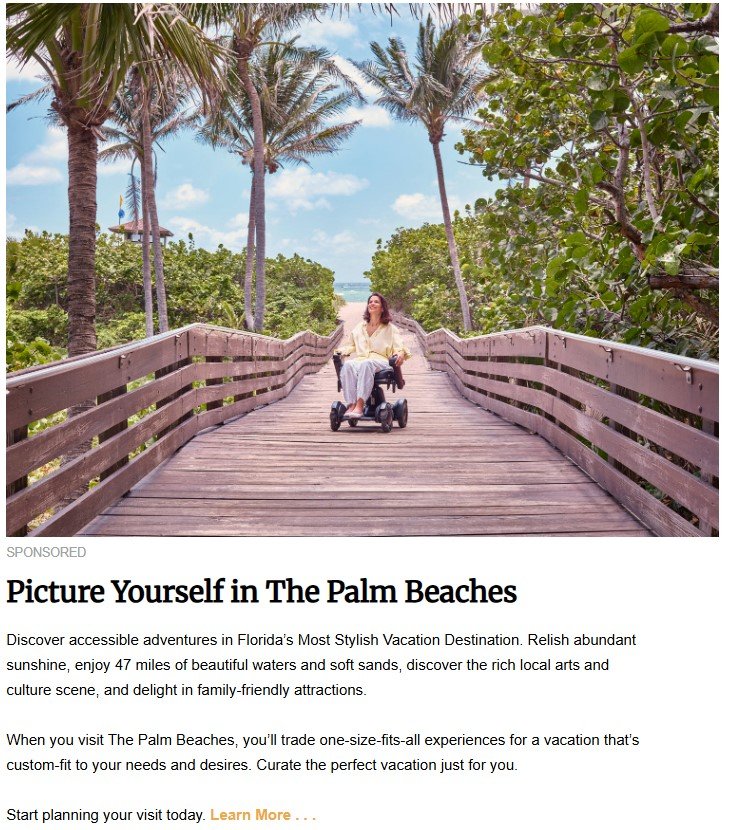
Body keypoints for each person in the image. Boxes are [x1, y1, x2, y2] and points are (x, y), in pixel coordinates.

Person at [336, 293, 411, 419]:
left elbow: (400, 348)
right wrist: (339, 352)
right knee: (348, 364)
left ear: (382, 308)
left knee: (367, 363)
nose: (372, 303)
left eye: (376, 302)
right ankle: (351, 404)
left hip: (381, 362)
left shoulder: (390, 329)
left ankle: (360, 406)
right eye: (370, 301)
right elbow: (352, 346)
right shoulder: (360, 327)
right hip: (362, 360)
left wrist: (400, 354)